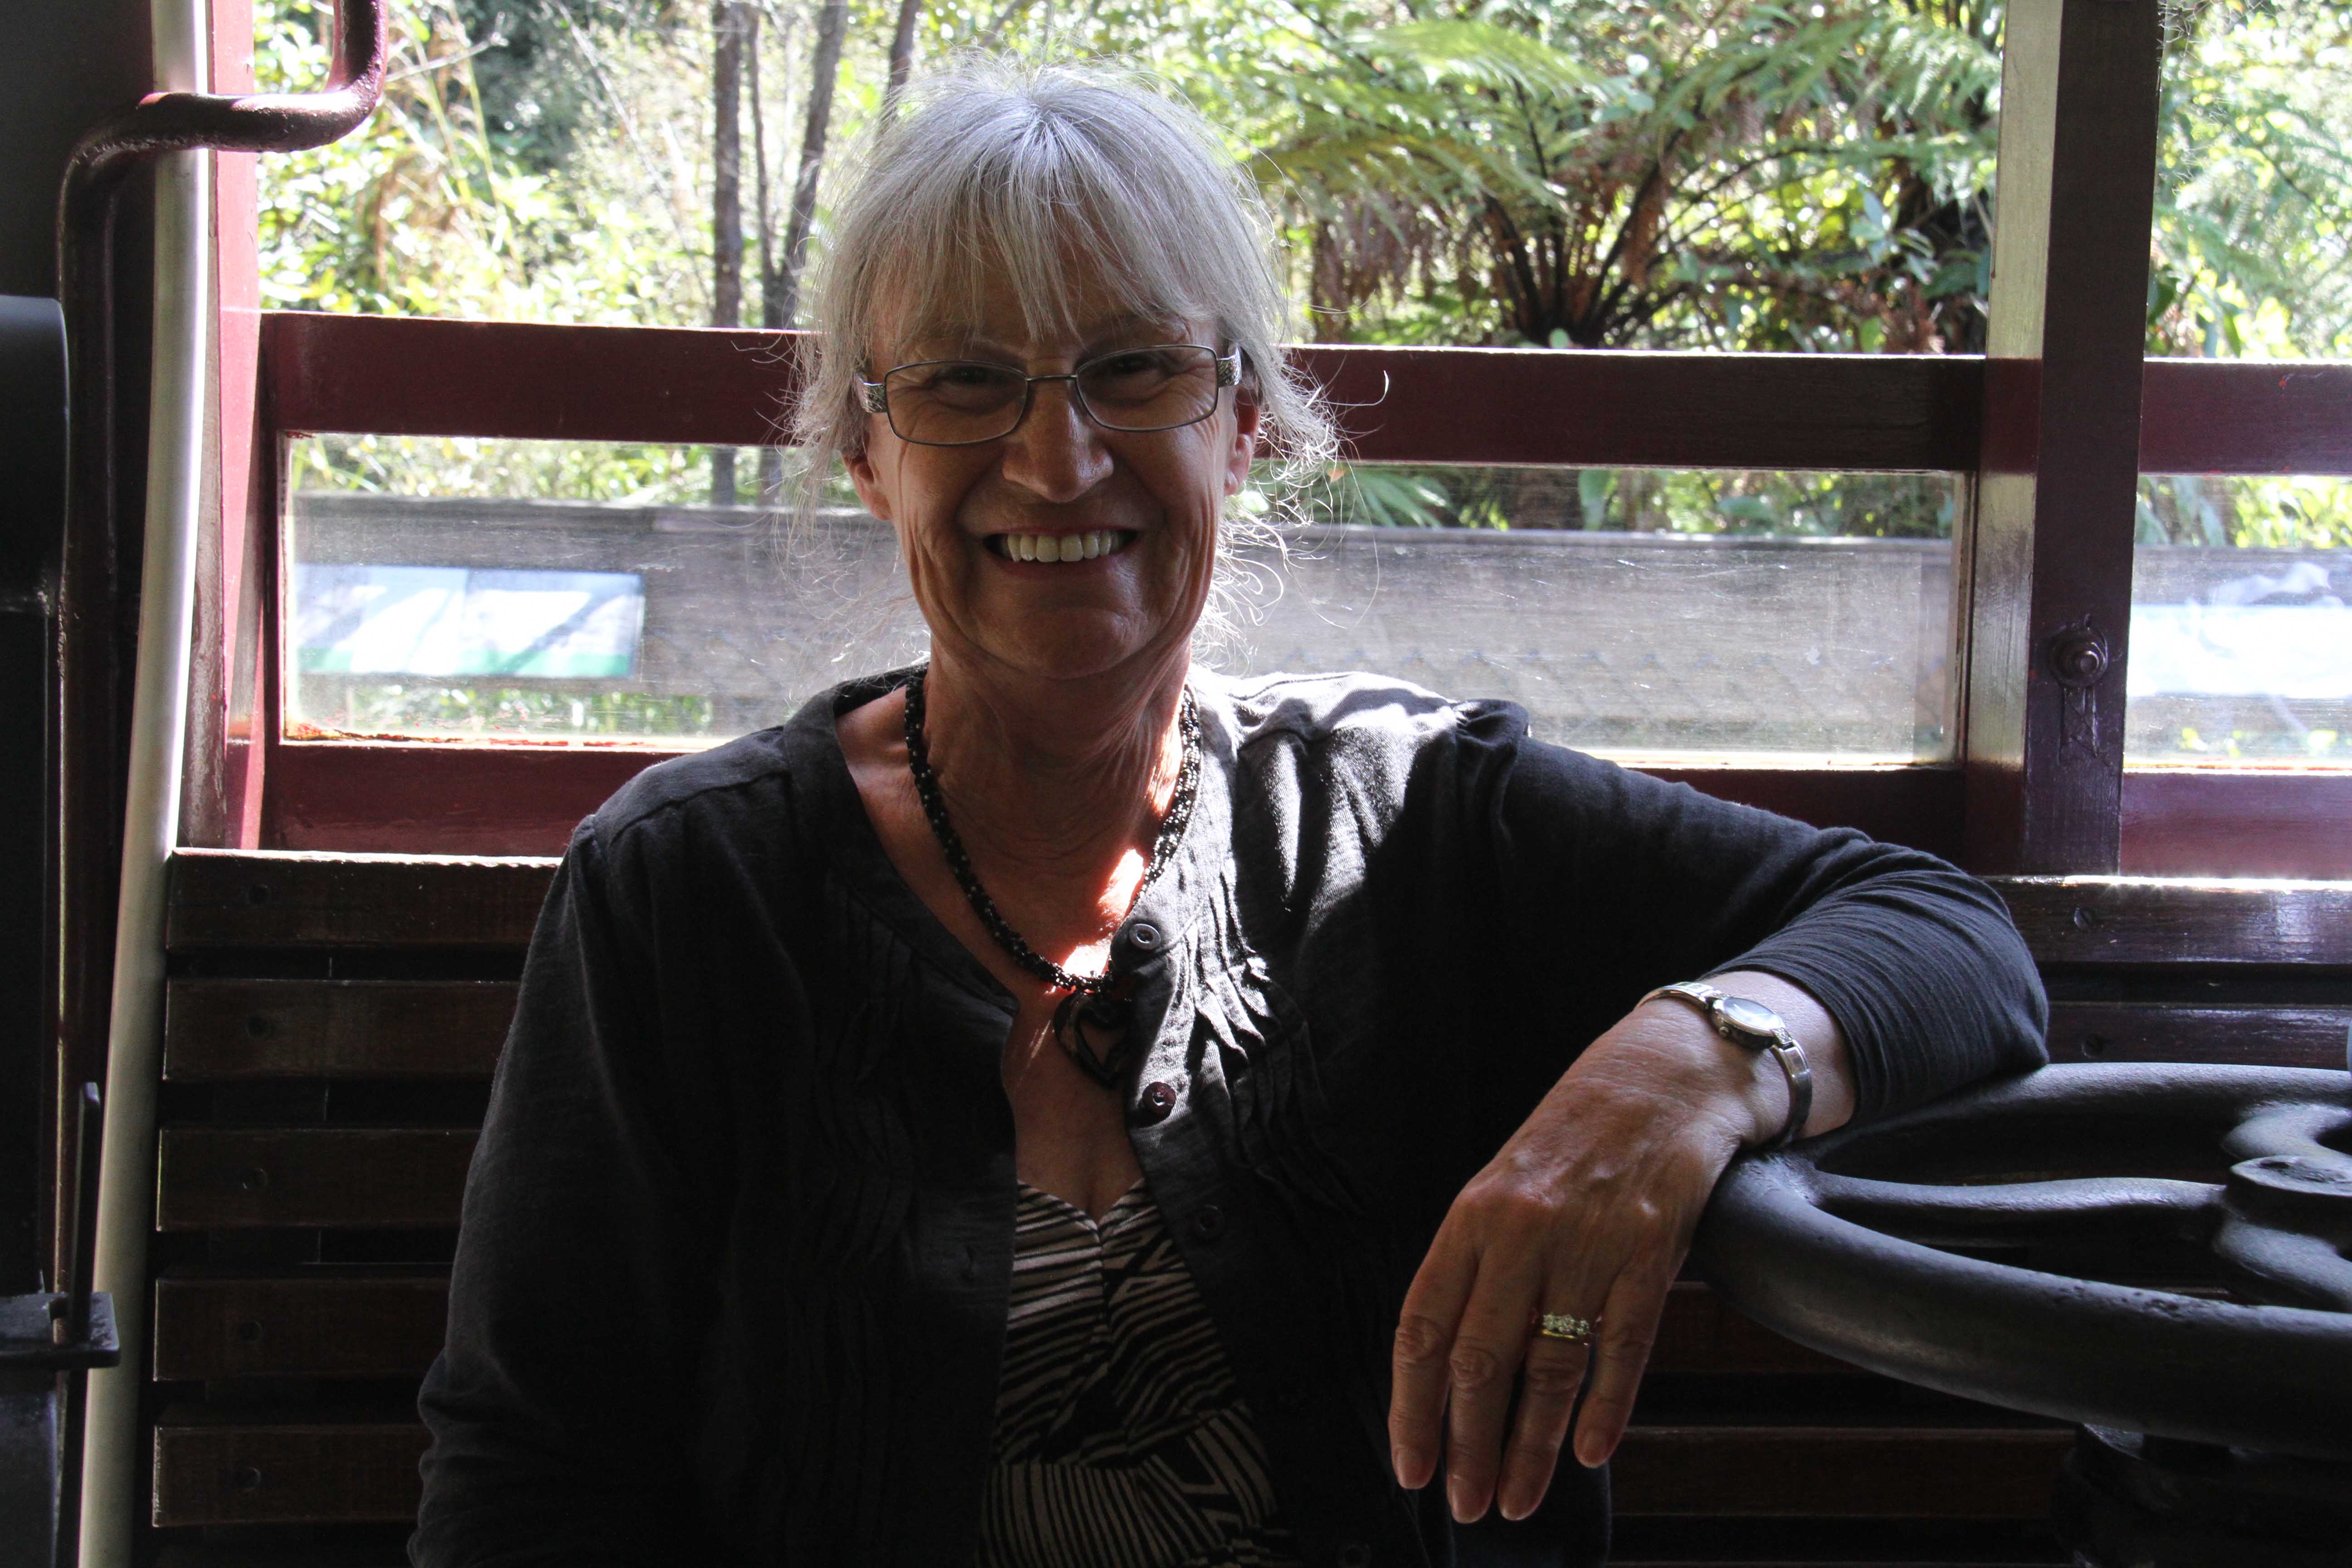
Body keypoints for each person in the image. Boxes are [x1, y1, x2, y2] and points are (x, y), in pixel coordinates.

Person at [411, 59, 2046, 1568]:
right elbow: (533, 1474)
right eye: (967, 382)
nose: (1058, 462)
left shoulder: (1413, 821)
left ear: (1242, 421)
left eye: (1135, 368)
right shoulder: (686, 891)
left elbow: (1947, 935)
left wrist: (1684, 1065)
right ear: (867, 451)